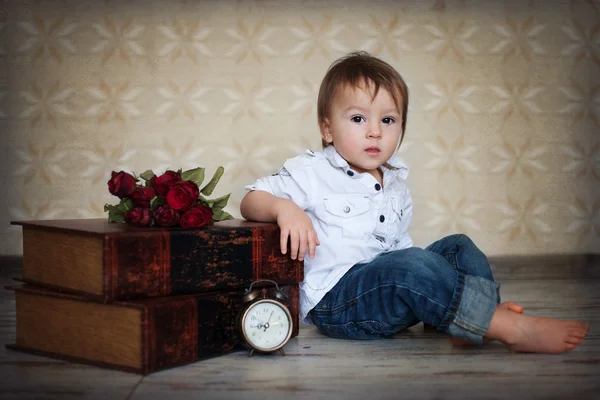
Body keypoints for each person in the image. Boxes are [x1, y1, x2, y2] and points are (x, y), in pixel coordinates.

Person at [240, 51, 589, 353]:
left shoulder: (395, 186)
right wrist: (284, 208)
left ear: (401, 128)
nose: (374, 131)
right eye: (358, 119)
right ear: (328, 129)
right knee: (409, 265)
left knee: (458, 248)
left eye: (387, 120)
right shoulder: (313, 171)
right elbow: (251, 200)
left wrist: (418, 267)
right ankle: (507, 327)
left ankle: (469, 326)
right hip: (340, 303)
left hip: (389, 287)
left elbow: (399, 248)